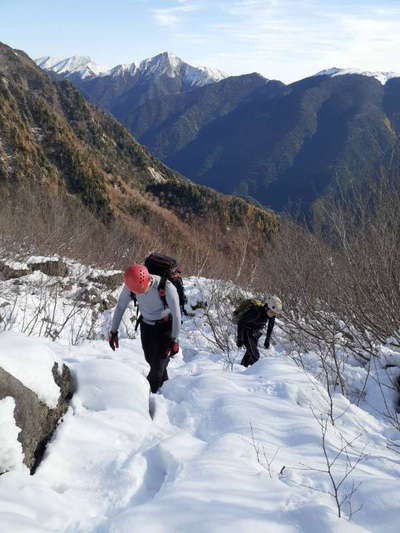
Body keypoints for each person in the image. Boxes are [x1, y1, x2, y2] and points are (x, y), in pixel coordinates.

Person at [108, 264, 181, 393]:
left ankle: (144, 397)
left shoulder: (166, 287)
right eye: (136, 292)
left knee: (157, 367)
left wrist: (174, 340)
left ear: (147, 281)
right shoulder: (131, 286)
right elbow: (120, 307)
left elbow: (176, 315)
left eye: (141, 291)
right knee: (152, 361)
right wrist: (113, 331)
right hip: (147, 327)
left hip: (166, 328)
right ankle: (165, 392)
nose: (138, 294)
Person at [236, 295, 282, 367]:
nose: (273, 315)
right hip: (246, 331)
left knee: (250, 354)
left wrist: (267, 339)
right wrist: (240, 339)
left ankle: (242, 369)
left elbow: (270, 326)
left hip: (255, 332)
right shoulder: (256, 312)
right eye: (272, 312)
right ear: (267, 307)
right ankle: (252, 373)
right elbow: (241, 322)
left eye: (275, 313)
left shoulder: (271, 313)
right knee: (255, 356)